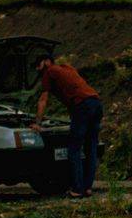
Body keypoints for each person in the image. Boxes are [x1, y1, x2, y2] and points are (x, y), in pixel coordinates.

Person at [32, 53, 102, 197]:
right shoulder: (67, 68)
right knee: (91, 147)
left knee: (74, 148)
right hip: (96, 103)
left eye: (38, 65)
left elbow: (43, 100)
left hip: (82, 106)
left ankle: (77, 189)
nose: (38, 70)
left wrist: (37, 123)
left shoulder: (49, 72)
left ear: (46, 62)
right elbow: (74, 87)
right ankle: (87, 188)